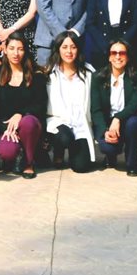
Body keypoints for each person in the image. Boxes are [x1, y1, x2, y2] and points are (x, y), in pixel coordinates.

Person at [91, 39, 137, 176]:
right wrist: (105, 131)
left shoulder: (135, 76)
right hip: (107, 123)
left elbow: (136, 103)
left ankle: (132, 162)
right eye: (114, 53)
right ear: (109, 57)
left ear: (128, 57)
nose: (118, 56)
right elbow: (96, 110)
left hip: (128, 120)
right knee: (109, 148)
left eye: (122, 53)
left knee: (134, 124)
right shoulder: (98, 77)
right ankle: (110, 156)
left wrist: (118, 118)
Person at [0, 32, 46, 179]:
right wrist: (8, 129)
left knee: (28, 123)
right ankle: (17, 154)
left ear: (25, 51)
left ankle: (29, 162)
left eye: (20, 49)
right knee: (6, 152)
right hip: (7, 127)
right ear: (5, 50)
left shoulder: (36, 75)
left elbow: (40, 105)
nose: (16, 53)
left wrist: (20, 114)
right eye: (12, 48)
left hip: (30, 125)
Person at [44, 30, 98, 173]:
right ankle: (58, 151)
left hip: (80, 124)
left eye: (73, 47)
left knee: (81, 167)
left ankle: (75, 152)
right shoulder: (49, 73)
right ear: (58, 49)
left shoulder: (88, 72)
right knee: (64, 137)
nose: (69, 51)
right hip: (58, 122)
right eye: (64, 47)